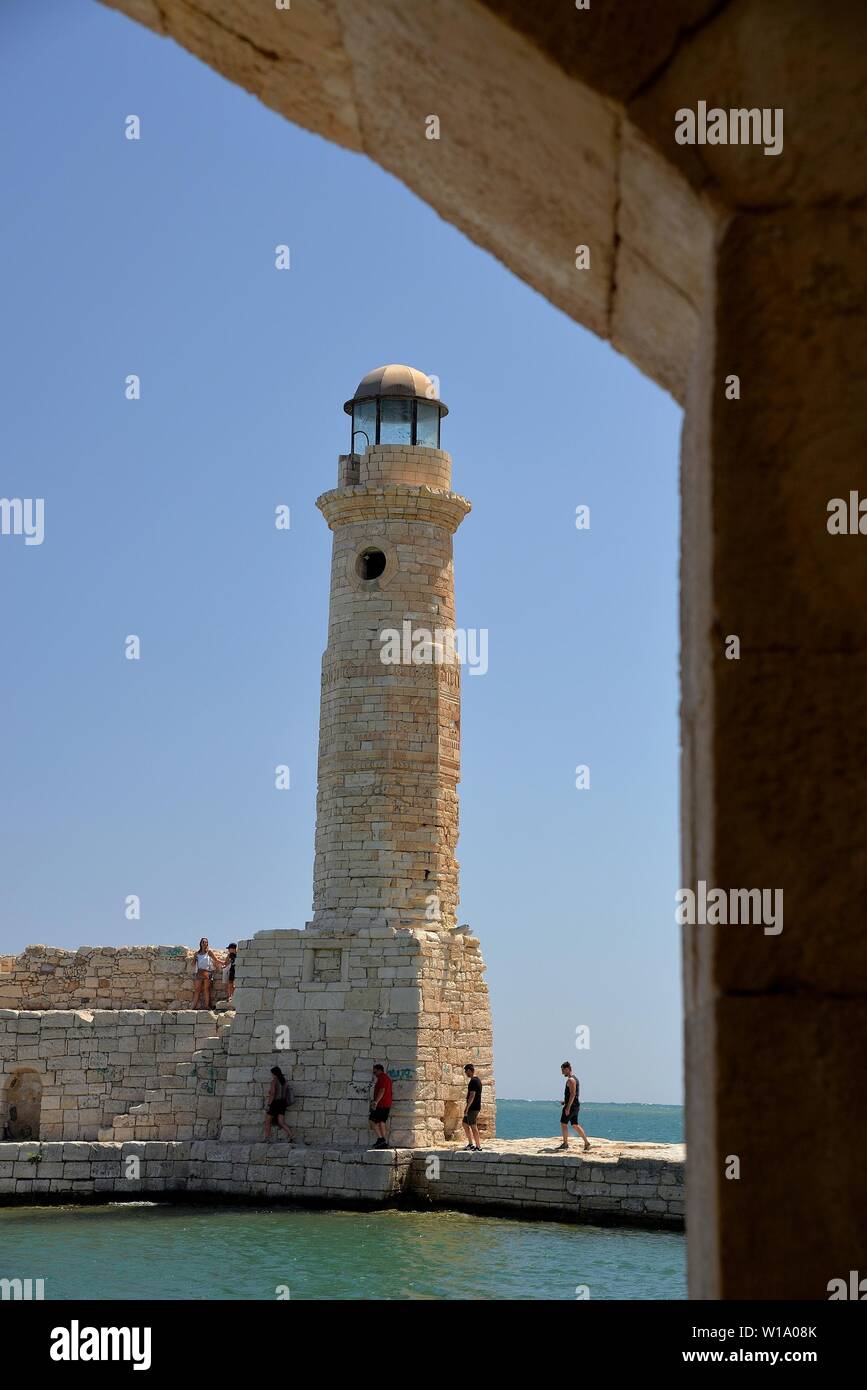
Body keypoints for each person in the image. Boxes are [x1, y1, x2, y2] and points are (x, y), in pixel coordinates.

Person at [558, 1061, 590, 1151]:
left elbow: (573, 1094)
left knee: (563, 1123)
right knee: (575, 1124)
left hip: (571, 1106)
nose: (562, 1072)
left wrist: (567, 1107)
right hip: (575, 1105)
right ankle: (586, 1143)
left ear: (568, 1069)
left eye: (563, 1070)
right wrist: (565, 1101)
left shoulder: (571, 1080)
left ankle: (565, 1144)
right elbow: (573, 1095)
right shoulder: (575, 1079)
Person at [192, 937, 223, 1010]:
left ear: (207, 944)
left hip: (207, 972)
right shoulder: (197, 953)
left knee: (206, 989)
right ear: (200, 943)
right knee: (197, 990)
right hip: (199, 972)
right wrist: (194, 958)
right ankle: (193, 1006)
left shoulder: (209, 952)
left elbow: (216, 960)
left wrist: (224, 963)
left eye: (206, 942)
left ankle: (206, 1005)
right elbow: (193, 964)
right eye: (203, 942)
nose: (204, 943)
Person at [264, 1066, 293, 1141]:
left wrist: (269, 1104)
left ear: (274, 1073)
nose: (272, 1075)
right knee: (281, 1122)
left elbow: (273, 1093)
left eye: (272, 1073)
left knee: (267, 1121)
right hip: (283, 1103)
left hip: (276, 1103)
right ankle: (291, 1136)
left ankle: (267, 1138)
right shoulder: (284, 1081)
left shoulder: (274, 1081)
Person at [369, 1064, 392, 1148]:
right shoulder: (387, 1078)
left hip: (381, 1104)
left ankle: (381, 1139)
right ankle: (383, 1142)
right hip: (386, 1104)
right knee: (381, 1122)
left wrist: (376, 1102)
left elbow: (382, 1090)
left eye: (375, 1072)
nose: (374, 1074)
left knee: (372, 1120)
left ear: (379, 1070)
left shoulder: (382, 1078)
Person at [462, 1063, 483, 1151]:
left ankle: (478, 1146)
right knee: (465, 1123)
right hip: (475, 1107)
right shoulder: (477, 1080)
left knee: (473, 1126)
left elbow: (472, 1095)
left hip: (473, 1108)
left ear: (469, 1071)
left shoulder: (473, 1081)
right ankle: (471, 1144)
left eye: (466, 1072)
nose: (466, 1074)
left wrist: (467, 1107)